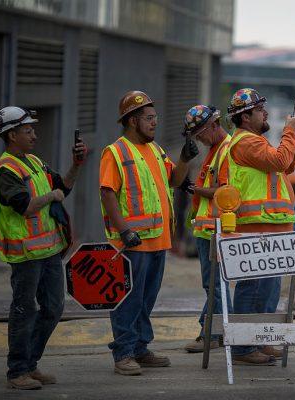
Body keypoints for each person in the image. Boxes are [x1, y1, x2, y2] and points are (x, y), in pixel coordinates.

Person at [99, 90, 197, 375]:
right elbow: (107, 194)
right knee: (128, 299)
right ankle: (124, 353)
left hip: (158, 240)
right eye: (149, 118)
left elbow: (175, 181)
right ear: (132, 121)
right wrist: (124, 230)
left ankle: (140, 348)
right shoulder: (115, 152)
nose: (155, 123)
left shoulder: (155, 150)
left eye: (155, 118)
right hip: (132, 241)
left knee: (146, 300)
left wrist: (184, 159)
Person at [0, 106, 86, 389]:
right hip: (25, 253)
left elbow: (64, 187)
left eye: (33, 129)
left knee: (54, 308)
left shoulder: (33, 161)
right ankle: (17, 371)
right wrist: (51, 196)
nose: (34, 134)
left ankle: (30, 365)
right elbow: (25, 207)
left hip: (49, 250)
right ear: (11, 136)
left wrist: (76, 164)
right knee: (23, 309)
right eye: (28, 130)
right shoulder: (6, 170)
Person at [222, 88, 295, 365]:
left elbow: (283, 167)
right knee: (253, 288)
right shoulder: (246, 142)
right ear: (245, 117)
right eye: (259, 110)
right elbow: (279, 160)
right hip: (256, 227)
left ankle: (261, 340)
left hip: (272, 226)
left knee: (268, 290)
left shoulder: (255, 142)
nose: (265, 113)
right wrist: (289, 131)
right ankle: (244, 348)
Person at [181, 105, 234, 353]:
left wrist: (192, 188)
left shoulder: (226, 150)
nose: (199, 139)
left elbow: (224, 192)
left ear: (214, 125)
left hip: (216, 230)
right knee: (214, 285)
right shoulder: (214, 150)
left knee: (214, 285)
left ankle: (214, 334)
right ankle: (211, 330)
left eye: (200, 133)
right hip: (207, 230)